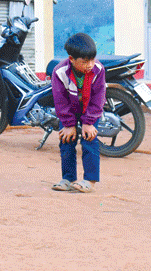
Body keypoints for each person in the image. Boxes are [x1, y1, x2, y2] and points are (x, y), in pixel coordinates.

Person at [50, 33, 106, 193]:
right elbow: (60, 100)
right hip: (69, 110)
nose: (90, 65)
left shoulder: (98, 70)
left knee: (90, 140)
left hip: (91, 110)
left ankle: (90, 180)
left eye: (92, 60)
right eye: (84, 61)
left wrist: (89, 122)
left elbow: (99, 98)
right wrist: (68, 124)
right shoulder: (59, 72)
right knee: (66, 140)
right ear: (72, 59)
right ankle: (68, 178)